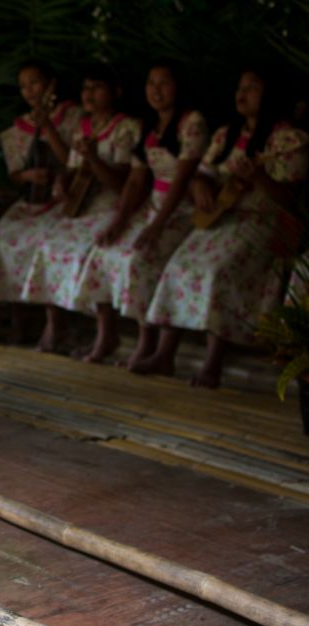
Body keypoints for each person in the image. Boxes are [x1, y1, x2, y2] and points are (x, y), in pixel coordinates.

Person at [133, 68, 309, 387]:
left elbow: (291, 198)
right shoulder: (226, 135)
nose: (242, 94)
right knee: (178, 265)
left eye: (252, 88)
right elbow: (204, 172)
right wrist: (200, 185)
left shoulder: (289, 139)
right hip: (221, 218)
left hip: (261, 223)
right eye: (240, 87)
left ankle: (213, 363)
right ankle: (164, 354)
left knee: (218, 271)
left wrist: (260, 179)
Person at [73, 62, 209, 367]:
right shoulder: (148, 124)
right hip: (151, 207)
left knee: (141, 259)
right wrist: (119, 221)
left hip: (181, 210)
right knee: (104, 251)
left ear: (178, 87)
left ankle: (149, 345)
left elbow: (182, 179)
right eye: (151, 83)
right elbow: (135, 180)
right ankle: (105, 335)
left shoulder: (191, 122)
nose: (156, 90)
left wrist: (157, 225)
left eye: (164, 83)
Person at [21, 64, 140, 352]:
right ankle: (55, 325)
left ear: (116, 92)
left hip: (112, 207)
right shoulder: (83, 126)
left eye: (97, 87)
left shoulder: (128, 127)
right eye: (86, 88)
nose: (89, 94)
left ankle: (105, 333)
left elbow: (122, 182)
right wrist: (62, 182)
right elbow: (73, 170)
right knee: (48, 243)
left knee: (92, 250)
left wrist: (94, 159)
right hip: (81, 207)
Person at [0, 60, 81, 341]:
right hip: (30, 202)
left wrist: (48, 126)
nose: (29, 91)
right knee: (4, 238)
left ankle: (54, 320)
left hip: (64, 201)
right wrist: (27, 176)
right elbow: (15, 174)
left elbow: (72, 161)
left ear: (51, 85)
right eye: (23, 86)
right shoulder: (17, 130)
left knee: (46, 242)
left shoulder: (73, 118)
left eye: (35, 83)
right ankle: (17, 320)